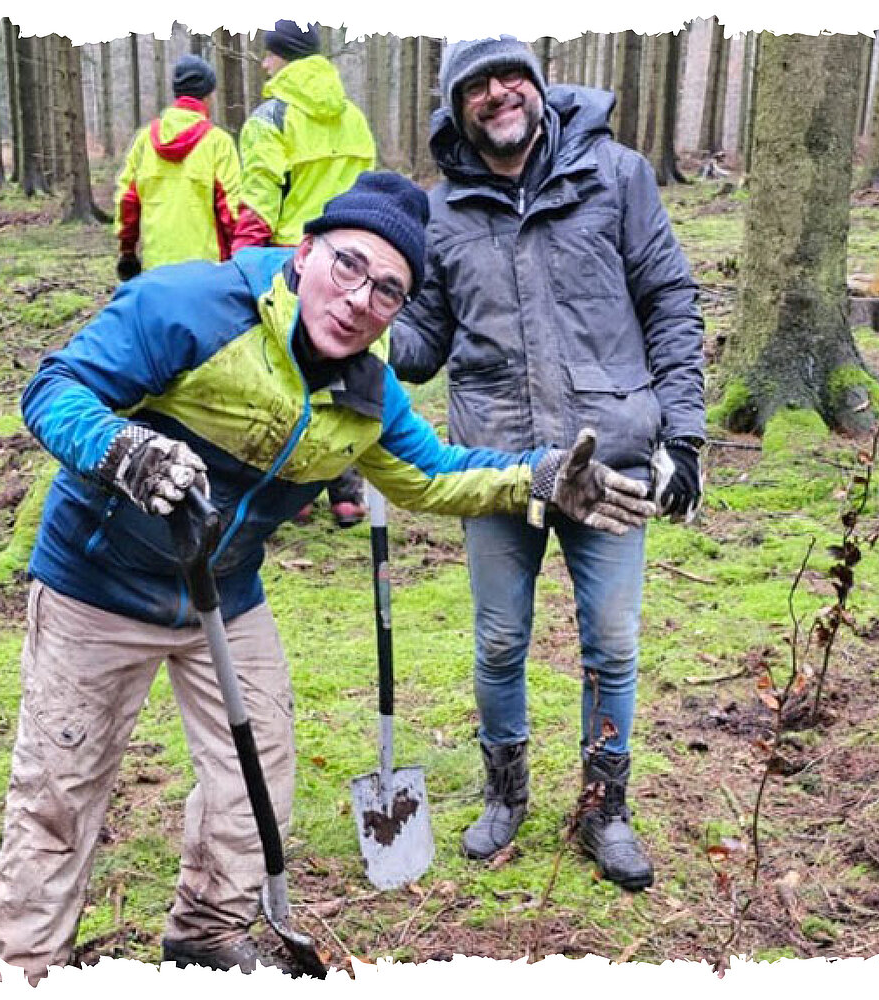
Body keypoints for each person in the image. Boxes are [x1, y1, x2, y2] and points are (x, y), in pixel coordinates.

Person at [0, 171, 656, 982]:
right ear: (304, 253)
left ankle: (206, 932)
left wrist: (537, 479)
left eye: (387, 291)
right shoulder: (189, 307)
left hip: (224, 596)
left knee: (256, 776)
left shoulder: (368, 394)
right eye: (348, 265)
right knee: (59, 794)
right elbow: (54, 388)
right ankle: (25, 969)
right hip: (97, 586)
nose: (359, 299)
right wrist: (121, 450)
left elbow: (433, 475)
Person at [388, 37, 707, 892]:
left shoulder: (617, 175)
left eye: (510, 76)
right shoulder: (440, 212)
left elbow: (670, 301)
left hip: (612, 461)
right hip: (500, 465)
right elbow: (423, 342)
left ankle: (604, 808)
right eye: (476, 86)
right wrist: (366, 325)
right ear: (456, 107)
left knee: (613, 643)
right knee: (499, 641)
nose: (497, 94)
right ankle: (506, 794)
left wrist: (684, 436)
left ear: (537, 84)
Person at [232, 18, 378, 527]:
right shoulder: (352, 117)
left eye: (269, 54)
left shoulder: (271, 117)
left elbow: (258, 199)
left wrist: (241, 267)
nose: (264, 63)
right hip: (351, 260)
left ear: (284, 56)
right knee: (343, 374)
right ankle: (345, 493)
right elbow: (367, 191)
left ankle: (291, 494)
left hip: (291, 260)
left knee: (285, 377)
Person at [114, 54, 241, 280]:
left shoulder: (144, 141)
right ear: (208, 96)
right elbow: (231, 210)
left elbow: (127, 203)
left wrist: (127, 251)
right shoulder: (218, 143)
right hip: (208, 271)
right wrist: (239, 256)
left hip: (156, 269)